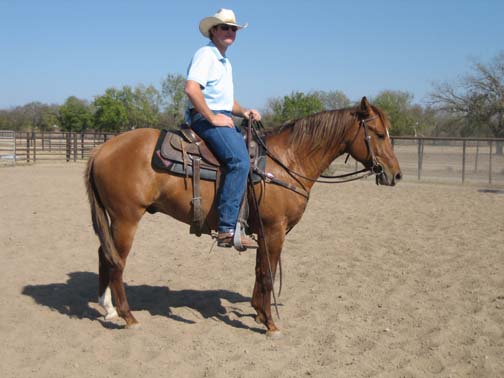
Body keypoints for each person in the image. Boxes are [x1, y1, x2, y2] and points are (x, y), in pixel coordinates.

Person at [184, 8, 261, 249]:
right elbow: (192, 89)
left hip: (222, 116)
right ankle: (227, 228)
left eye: (233, 28)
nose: (230, 32)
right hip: (205, 118)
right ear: (213, 30)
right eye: (225, 27)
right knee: (239, 162)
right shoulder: (206, 54)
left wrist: (244, 111)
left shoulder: (224, 61)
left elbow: (227, 101)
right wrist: (213, 117)